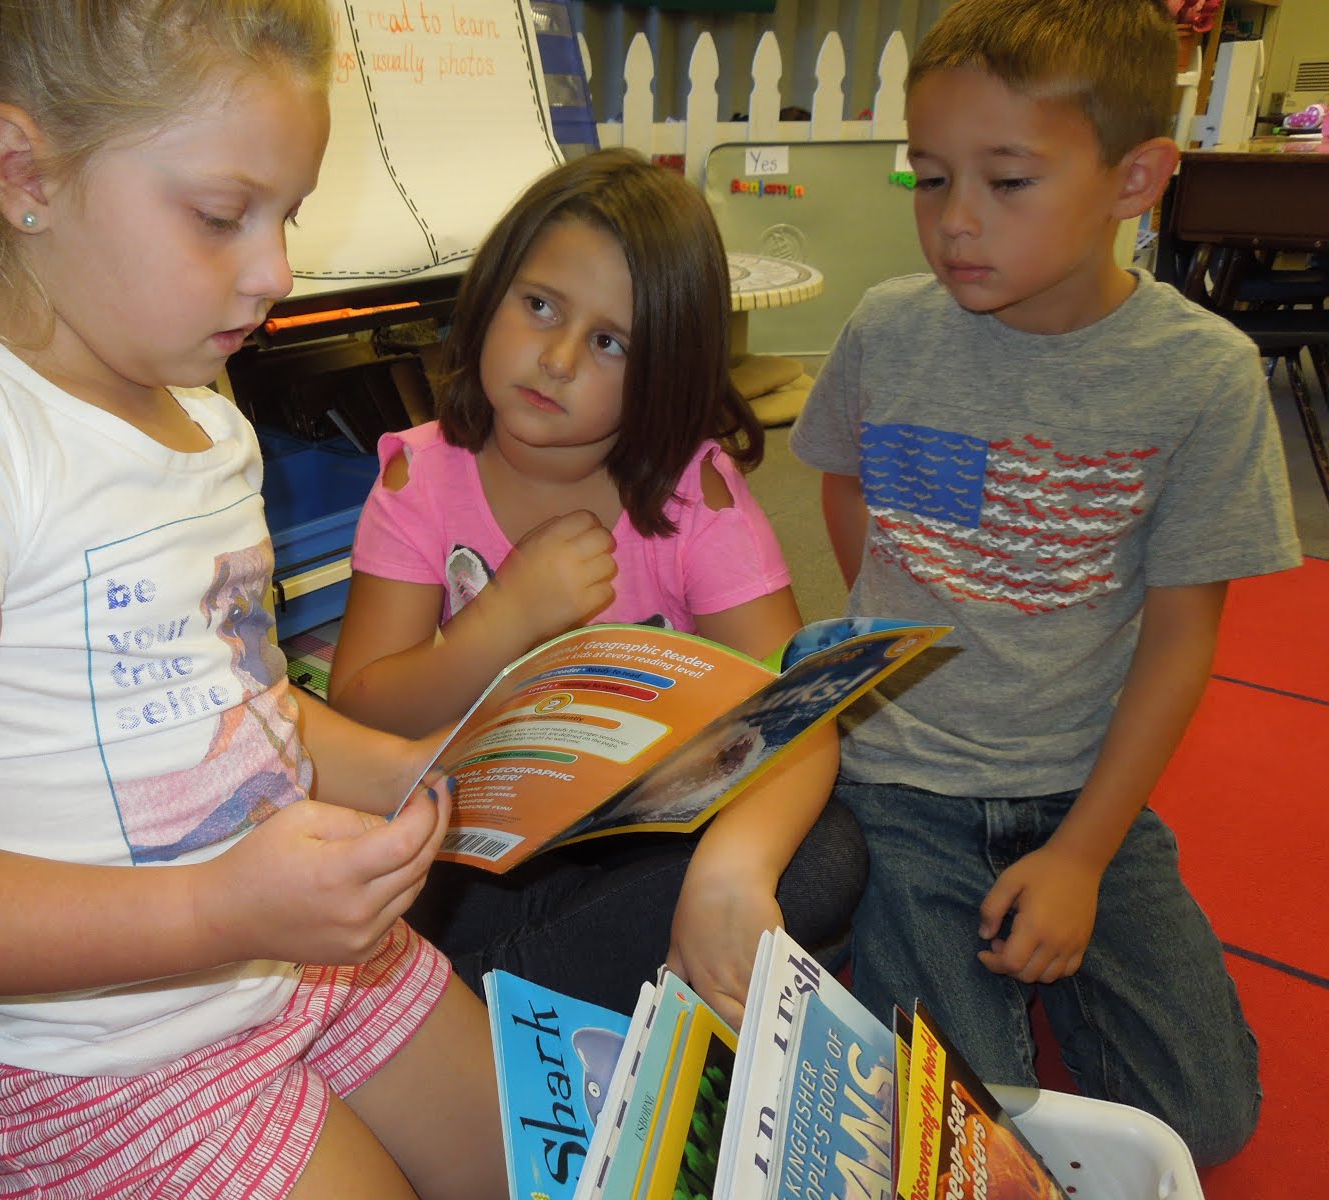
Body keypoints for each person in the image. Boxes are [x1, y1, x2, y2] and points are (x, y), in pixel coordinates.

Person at [0, 2, 507, 1197]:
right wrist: (219, 911)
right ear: (25, 173)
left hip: (290, 957)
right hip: (96, 1067)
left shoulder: (206, 418)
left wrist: (421, 767)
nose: (276, 272)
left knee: (553, 1163)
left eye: (287, 215)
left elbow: (242, 711)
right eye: (220, 215)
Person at [789, 0, 1300, 1166]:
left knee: (1206, 1121)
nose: (955, 221)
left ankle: (1000, 949)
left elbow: (1179, 638)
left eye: (1006, 181)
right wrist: (895, 621)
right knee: (966, 1134)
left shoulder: (1203, 377)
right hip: (901, 788)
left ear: (1135, 179)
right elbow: (848, 487)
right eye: (928, 179)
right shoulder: (888, 328)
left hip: (1081, 790)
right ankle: (896, 942)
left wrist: (1080, 854)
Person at [327, 148, 867, 1025]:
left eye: (610, 342)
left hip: (645, 836)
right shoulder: (419, 478)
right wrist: (503, 619)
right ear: (491, 292)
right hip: (479, 836)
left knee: (823, 857)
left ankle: (452, 1008)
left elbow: (799, 719)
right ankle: (476, 1007)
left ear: (665, 371)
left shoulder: (697, 497)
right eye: (540, 305)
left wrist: (730, 873)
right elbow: (360, 711)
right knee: (373, 849)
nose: (557, 358)